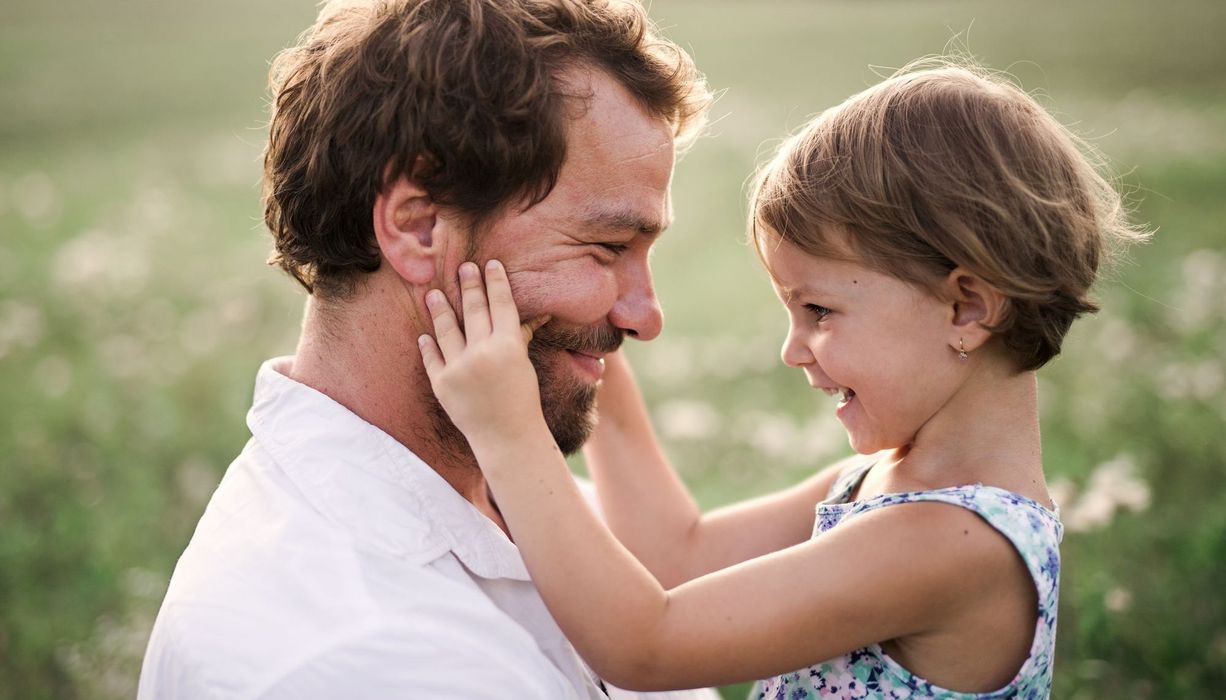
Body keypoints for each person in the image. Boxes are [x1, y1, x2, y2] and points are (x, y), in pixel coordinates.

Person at [416, 60, 1148, 698]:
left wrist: (510, 433)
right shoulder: (879, 483)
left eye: (820, 310)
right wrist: (594, 343)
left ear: (967, 308)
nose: (793, 351)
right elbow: (676, 557)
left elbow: (646, 643)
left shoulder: (952, 543)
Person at [137, 1, 715, 698]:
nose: (646, 318)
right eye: (607, 248)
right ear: (417, 229)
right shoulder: (354, 657)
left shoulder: (528, 493)